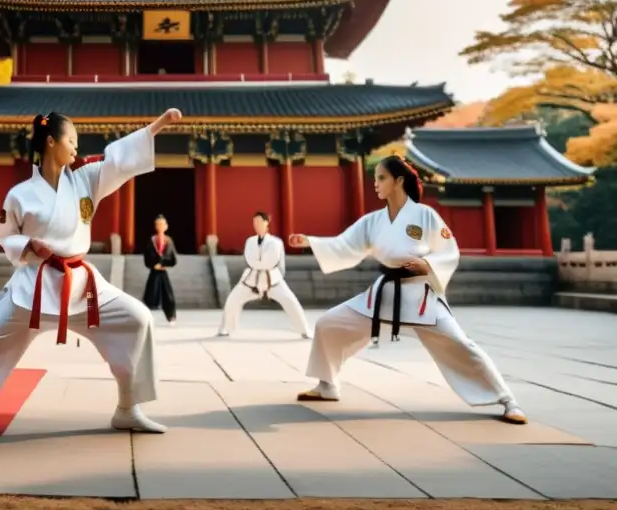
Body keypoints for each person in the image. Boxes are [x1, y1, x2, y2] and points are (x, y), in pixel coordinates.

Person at [0, 108, 183, 445]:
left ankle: (126, 409)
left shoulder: (86, 179)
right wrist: (29, 244)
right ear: (51, 141)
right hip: (31, 290)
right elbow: (6, 237)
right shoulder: (20, 194)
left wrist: (156, 127)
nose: (77, 146)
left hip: (81, 285)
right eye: (71, 139)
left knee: (137, 319)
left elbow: (118, 159)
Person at [289, 155, 528, 425]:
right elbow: (346, 244)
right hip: (384, 295)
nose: (376, 184)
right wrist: (310, 242)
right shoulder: (374, 220)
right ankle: (327, 385)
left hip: (420, 295)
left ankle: (508, 400)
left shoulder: (425, 215)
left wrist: (426, 264)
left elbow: (450, 251)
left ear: (399, 180)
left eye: (381, 178)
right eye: (375, 178)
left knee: (461, 344)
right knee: (329, 324)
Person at [217, 211, 311, 339]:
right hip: (251, 279)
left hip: (272, 278)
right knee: (233, 299)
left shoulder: (276, 242)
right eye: (254, 222)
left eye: (259, 221)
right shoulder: (250, 241)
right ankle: (225, 329)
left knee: (291, 301)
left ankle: (305, 330)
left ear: (267, 223)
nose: (256, 224)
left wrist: (272, 271)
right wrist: (258, 264)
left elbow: (279, 262)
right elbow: (249, 259)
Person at [142, 214, 178, 325]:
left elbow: (173, 258)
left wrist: (165, 264)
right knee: (150, 294)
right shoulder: (152, 240)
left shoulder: (169, 241)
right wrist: (153, 265)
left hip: (163, 271)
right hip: (154, 270)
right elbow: (147, 256)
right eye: (158, 224)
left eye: (162, 224)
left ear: (166, 226)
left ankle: (171, 316)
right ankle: (145, 317)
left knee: (168, 295)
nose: (160, 226)